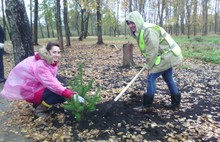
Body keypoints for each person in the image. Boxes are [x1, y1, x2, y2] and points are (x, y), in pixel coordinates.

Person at [0, 42, 85, 118]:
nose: (57, 54)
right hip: (30, 91)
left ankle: (39, 103)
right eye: (54, 52)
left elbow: (52, 79)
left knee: (61, 88)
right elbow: (52, 84)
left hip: (34, 87)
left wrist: (65, 89)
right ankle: (40, 110)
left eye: (58, 52)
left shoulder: (49, 61)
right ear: (47, 52)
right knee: (60, 94)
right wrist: (71, 95)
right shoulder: (41, 65)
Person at [125, 11, 183, 112]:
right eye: (128, 23)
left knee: (151, 77)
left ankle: (147, 106)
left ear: (137, 21)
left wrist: (149, 66)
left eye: (132, 22)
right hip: (165, 55)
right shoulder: (141, 30)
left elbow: (152, 51)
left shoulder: (149, 30)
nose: (130, 25)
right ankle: (176, 104)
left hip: (167, 56)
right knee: (168, 77)